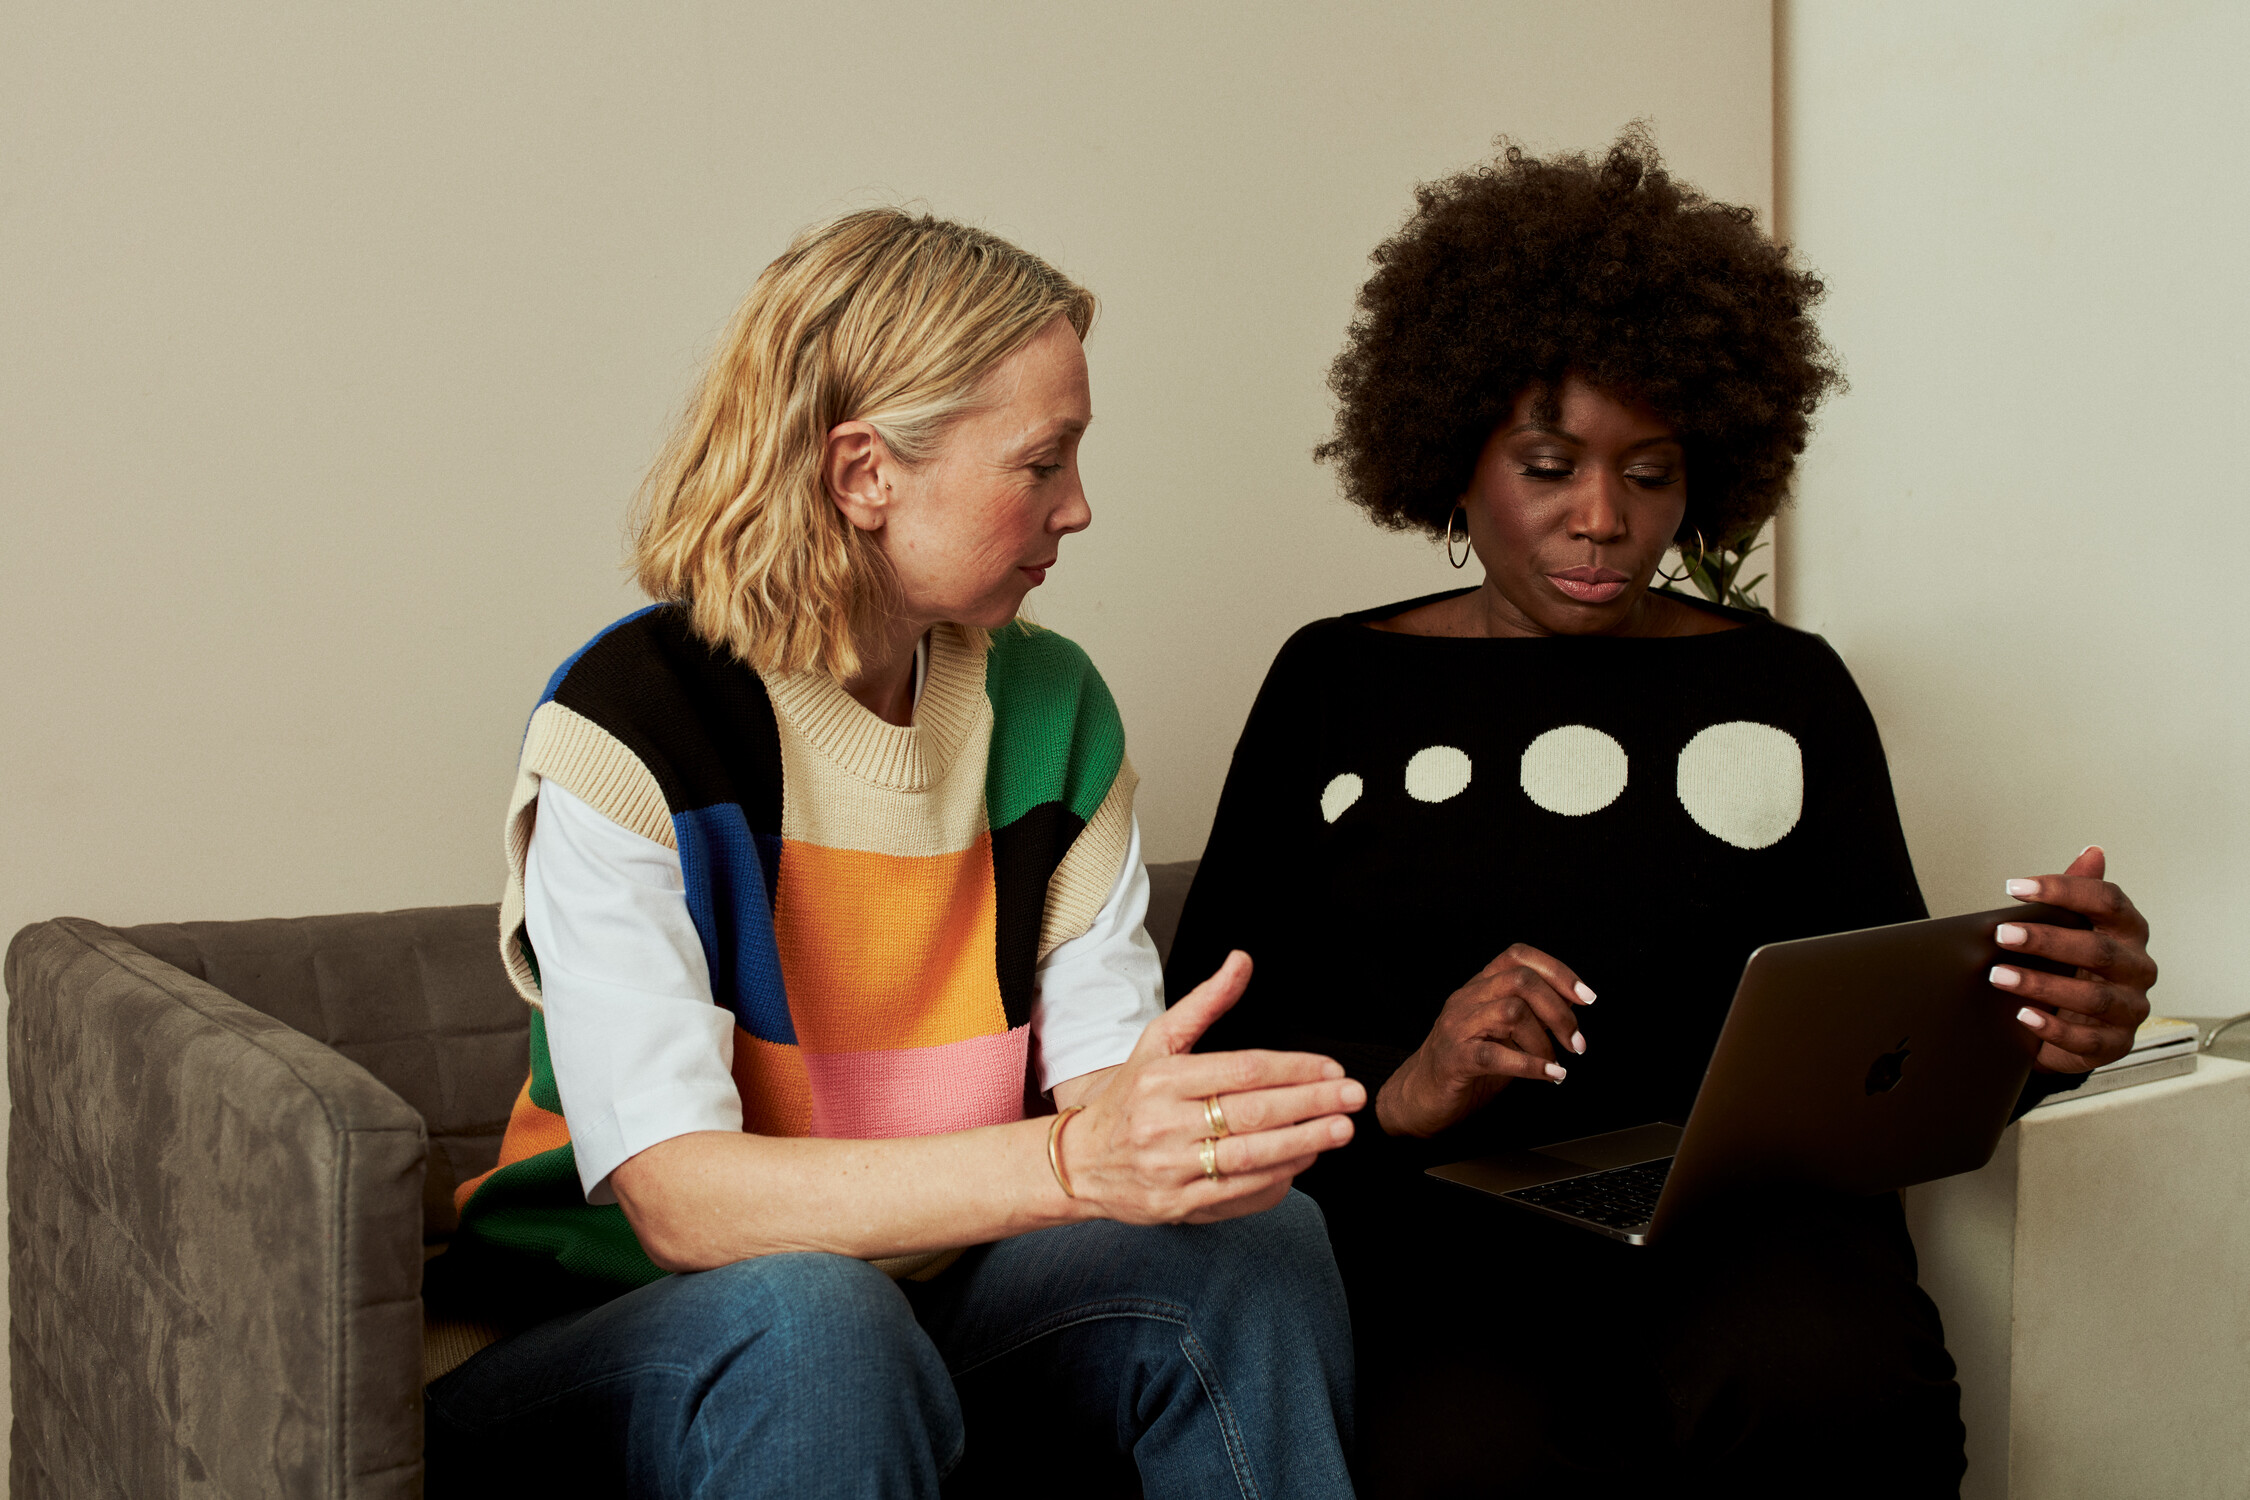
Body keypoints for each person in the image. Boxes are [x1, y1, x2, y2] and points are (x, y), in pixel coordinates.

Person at [1164, 133, 2158, 1498]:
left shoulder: (1780, 685)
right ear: (1452, 455)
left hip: (1752, 1229)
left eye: (1649, 474)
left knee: (1835, 1387)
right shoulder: (1334, 685)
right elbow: (1203, 1027)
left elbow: (1882, 1035)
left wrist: (2050, 1029)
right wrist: (1405, 1085)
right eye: (1548, 464)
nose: (1600, 520)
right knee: (1468, 1450)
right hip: (1444, 1230)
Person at [425, 209, 1364, 1499]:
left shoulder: (1054, 711)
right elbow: (679, 1206)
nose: (1078, 508)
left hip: (931, 1306)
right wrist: (1068, 1162)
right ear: (865, 473)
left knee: (1254, 1246)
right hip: (603, 1341)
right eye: (1043, 461)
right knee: (815, 1323)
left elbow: (1099, 1104)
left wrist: (1178, 1133)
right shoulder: (631, 724)